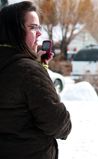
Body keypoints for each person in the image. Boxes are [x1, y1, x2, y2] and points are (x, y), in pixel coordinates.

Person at [0, 1, 71, 159]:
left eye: (39, 27)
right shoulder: (28, 71)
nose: (39, 33)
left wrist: (41, 67)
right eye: (32, 27)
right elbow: (58, 123)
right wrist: (41, 71)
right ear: (14, 31)